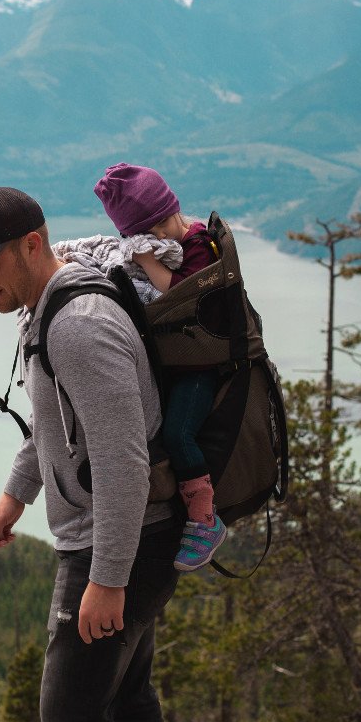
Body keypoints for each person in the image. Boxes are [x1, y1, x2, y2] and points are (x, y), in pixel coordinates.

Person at [0, 185, 182, 722]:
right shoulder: (47, 307)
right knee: (125, 699)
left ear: (31, 245)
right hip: (129, 536)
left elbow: (124, 462)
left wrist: (108, 579)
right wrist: (16, 492)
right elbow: (57, 424)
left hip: (118, 542)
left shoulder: (78, 325)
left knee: (70, 717)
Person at [93, 163, 226, 572]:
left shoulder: (200, 244)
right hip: (184, 360)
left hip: (202, 366)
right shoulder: (184, 237)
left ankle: (206, 519)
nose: (149, 241)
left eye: (150, 232)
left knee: (178, 433)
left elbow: (178, 293)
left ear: (165, 215)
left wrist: (148, 260)